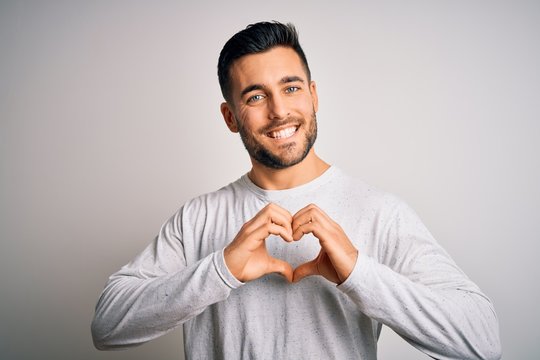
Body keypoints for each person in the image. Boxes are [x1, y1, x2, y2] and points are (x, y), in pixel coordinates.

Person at [91, 21, 501, 359]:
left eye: (291, 88)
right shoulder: (196, 219)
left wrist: (358, 273)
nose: (279, 111)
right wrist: (222, 270)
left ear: (314, 95)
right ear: (230, 117)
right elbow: (107, 326)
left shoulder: (379, 212)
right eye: (255, 96)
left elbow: (481, 341)